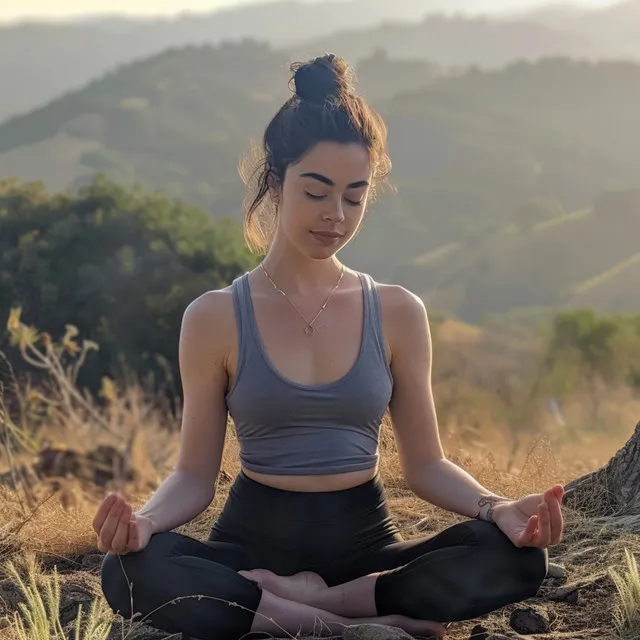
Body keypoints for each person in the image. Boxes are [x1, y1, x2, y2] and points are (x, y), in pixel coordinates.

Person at [97, 54, 564, 640]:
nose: (335, 216)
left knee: (517, 557)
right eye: (316, 191)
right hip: (250, 549)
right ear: (275, 183)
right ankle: (340, 622)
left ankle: (296, 609)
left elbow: (426, 466)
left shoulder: (397, 311)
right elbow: (194, 477)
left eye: (354, 195)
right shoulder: (215, 317)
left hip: (364, 551)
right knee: (128, 569)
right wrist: (143, 522)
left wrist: (498, 509)